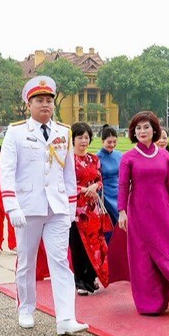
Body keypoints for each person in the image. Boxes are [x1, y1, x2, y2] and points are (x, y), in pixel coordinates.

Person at [0, 75, 88, 336]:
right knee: (27, 260)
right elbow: (7, 171)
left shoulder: (64, 131)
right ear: (29, 104)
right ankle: (26, 308)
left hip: (58, 206)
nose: (46, 105)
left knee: (60, 261)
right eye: (40, 100)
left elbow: (69, 173)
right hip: (28, 206)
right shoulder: (16, 132)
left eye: (49, 100)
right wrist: (12, 205)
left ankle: (66, 318)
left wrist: (71, 208)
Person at [118, 110, 169, 315]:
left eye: (146, 127)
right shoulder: (129, 157)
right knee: (143, 258)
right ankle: (146, 302)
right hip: (139, 213)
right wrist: (122, 212)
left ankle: (167, 295)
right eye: (138, 128)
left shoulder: (164, 155)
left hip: (163, 213)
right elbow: (122, 187)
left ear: (155, 130)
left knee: (167, 254)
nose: (142, 131)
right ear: (133, 133)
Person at [69, 123, 110, 294]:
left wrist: (96, 186)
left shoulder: (94, 159)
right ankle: (80, 281)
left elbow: (100, 180)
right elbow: (64, 184)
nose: (84, 141)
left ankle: (92, 277)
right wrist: (84, 190)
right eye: (80, 137)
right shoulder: (68, 160)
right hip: (76, 210)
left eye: (86, 137)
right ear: (72, 140)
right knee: (78, 245)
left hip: (93, 210)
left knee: (95, 244)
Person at [97, 125, 123, 242]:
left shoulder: (119, 155)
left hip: (119, 191)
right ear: (102, 141)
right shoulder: (97, 157)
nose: (112, 145)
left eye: (114, 142)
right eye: (109, 142)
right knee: (109, 225)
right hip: (105, 195)